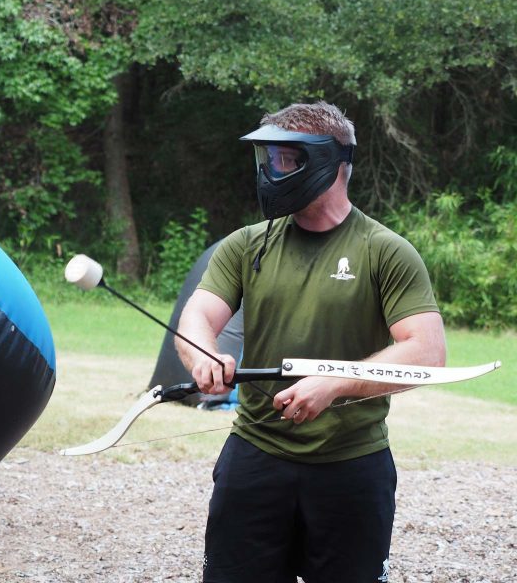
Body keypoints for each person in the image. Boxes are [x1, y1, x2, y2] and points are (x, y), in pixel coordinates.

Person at [175, 101, 446, 583]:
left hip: (352, 465)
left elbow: (426, 351)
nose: (271, 172)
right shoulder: (246, 244)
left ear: (330, 161)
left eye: (284, 159)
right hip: (254, 458)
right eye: (267, 160)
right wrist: (203, 354)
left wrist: (336, 382)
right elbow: (198, 315)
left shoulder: (385, 250)